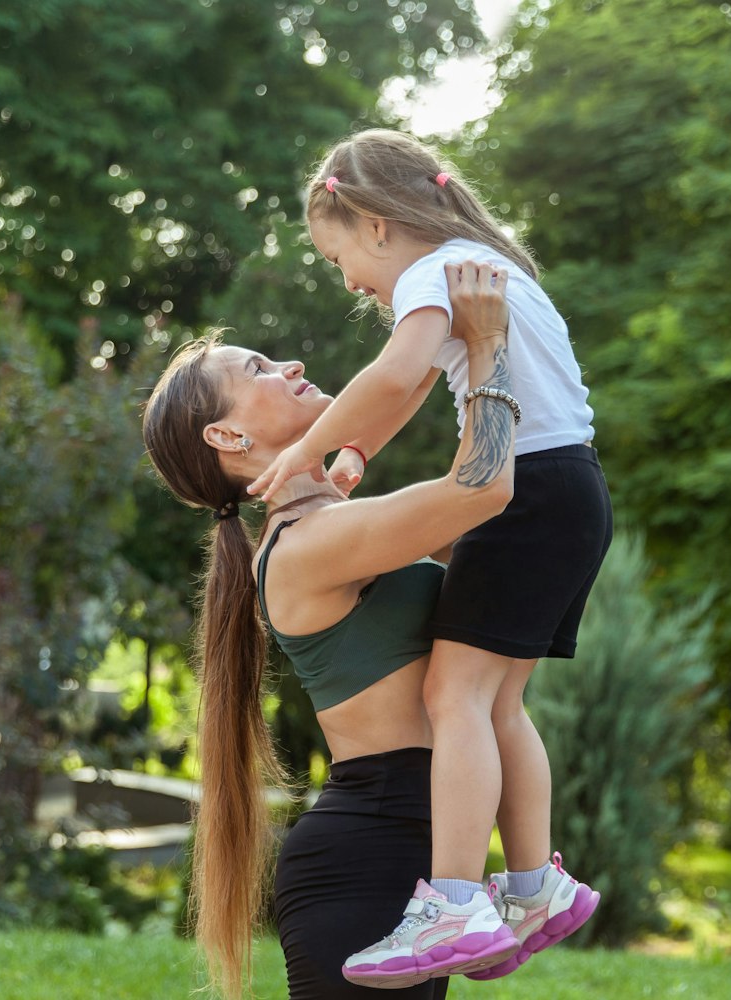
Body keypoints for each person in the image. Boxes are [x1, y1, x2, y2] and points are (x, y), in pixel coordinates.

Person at [246, 128, 612, 986]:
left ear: (374, 224)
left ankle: (453, 900)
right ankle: (532, 889)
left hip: (524, 492)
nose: (346, 282)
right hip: (571, 490)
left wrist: (306, 454)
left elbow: (391, 372)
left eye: (337, 256)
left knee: (457, 695)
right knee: (498, 704)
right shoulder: (481, 267)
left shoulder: (430, 272)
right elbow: (409, 387)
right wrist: (357, 454)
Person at [143, 263, 518, 999]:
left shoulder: (330, 524)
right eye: (258, 368)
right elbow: (484, 487)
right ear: (227, 432)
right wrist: (489, 345)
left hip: (405, 847)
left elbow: (477, 515)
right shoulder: (308, 545)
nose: (291, 366)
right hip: (366, 861)